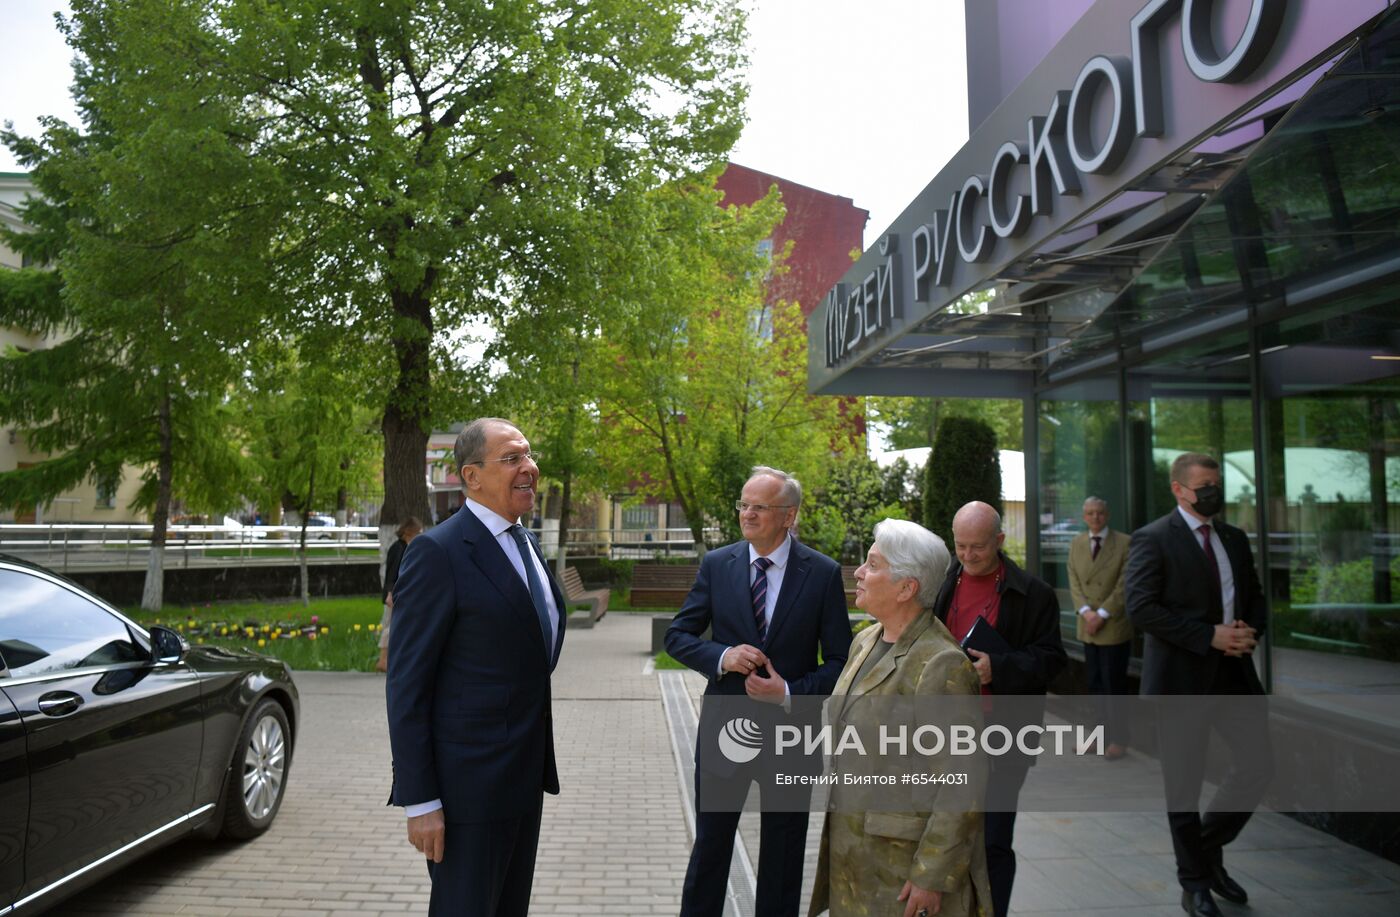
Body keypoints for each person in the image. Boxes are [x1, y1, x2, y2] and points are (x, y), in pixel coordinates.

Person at [385, 418, 566, 917]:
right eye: (512, 459)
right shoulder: (436, 553)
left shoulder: (524, 542)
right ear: (471, 476)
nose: (529, 468)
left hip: (523, 781)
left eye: (529, 456)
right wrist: (420, 801)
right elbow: (407, 687)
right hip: (467, 795)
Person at [666, 466, 852, 917]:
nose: (747, 514)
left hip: (791, 738)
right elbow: (678, 636)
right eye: (743, 504)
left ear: (788, 516)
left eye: (759, 507)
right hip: (724, 736)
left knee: (784, 860)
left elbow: (842, 663)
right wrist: (724, 657)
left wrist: (788, 691)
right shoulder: (718, 564)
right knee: (711, 851)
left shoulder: (823, 573)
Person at [810, 518, 993, 917]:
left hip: (901, 872)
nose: (858, 572)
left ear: (906, 587)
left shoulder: (940, 662)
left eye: (873, 565)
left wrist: (931, 873)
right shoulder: (865, 639)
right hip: (854, 858)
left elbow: (963, 781)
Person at [1126, 453, 1271, 917]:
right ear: (1179, 489)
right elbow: (1141, 608)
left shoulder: (1234, 537)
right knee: (1184, 786)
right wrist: (1209, 635)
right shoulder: (1153, 539)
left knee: (1258, 767)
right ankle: (1194, 883)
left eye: (1217, 483)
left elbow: (1255, 597)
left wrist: (1250, 632)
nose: (1213, 491)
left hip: (1234, 676)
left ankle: (1205, 851)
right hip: (1182, 682)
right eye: (1204, 485)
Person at [932, 501, 1066, 917]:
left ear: (1000, 541)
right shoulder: (941, 582)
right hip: (941, 730)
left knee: (991, 839)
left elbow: (1052, 660)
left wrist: (999, 668)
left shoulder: (1034, 594)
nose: (968, 556)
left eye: (978, 547)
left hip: (1003, 733)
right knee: (941, 834)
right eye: (961, 546)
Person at [1067, 496, 1131, 758]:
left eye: (1100, 513)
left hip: (1112, 625)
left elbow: (1125, 584)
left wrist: (1102, 614)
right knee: (1093, 685)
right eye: (1090, 513)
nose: (1095, 517)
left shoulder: (1125, 543)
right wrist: (1085, 611)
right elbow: (1073, 579)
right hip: (1087, 625)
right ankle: (1096, 738)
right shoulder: (1077, 542)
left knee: (1113, 685)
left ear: (1107, 515)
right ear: (1084, 517)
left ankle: (1119, 740)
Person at [376, 516, 423, 673]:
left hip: (399, 594)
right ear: (409, 532)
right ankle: (383, 660)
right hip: (394, 595)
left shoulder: (404, 547)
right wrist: (390, 593)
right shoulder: (399, 548)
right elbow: (392, 573)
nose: (420, 535)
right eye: (418, 532)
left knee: (395, 626)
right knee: (390, 627)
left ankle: (389, 660)